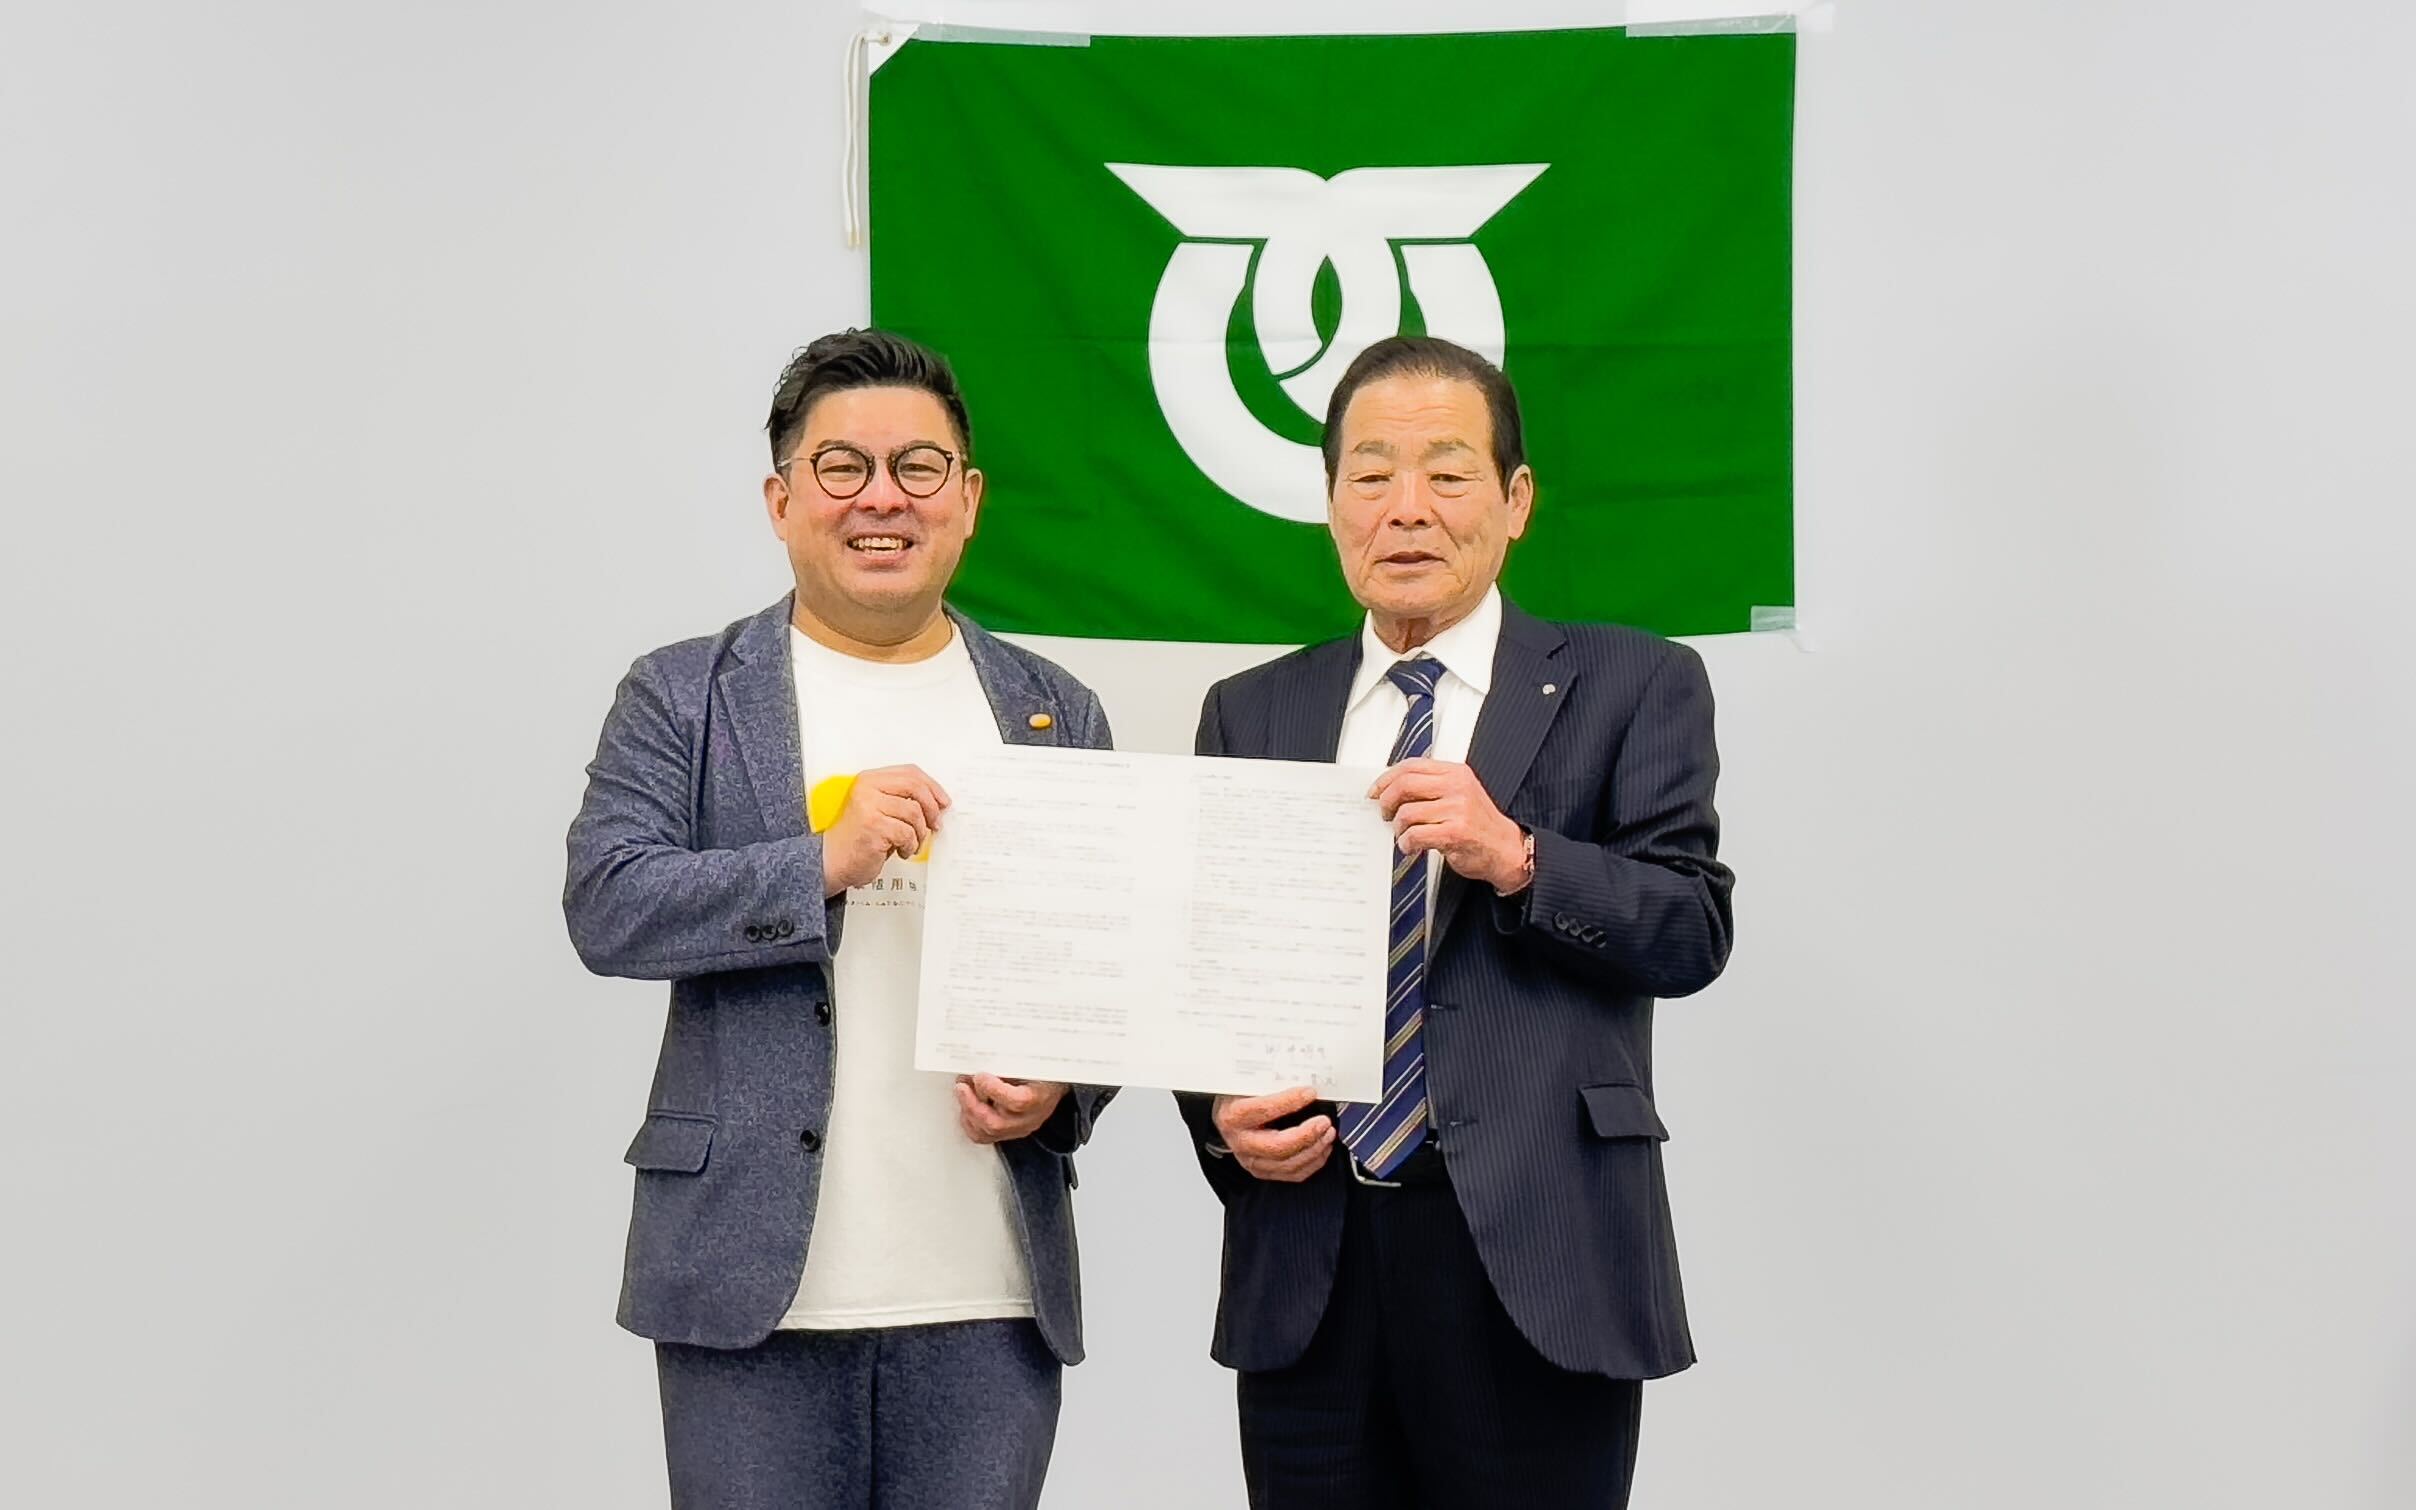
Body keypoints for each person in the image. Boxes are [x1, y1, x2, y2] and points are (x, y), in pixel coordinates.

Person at [1180, 335, 1736, 1508]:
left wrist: (1520, 858)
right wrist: (1225, 1123)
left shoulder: (1633, 684)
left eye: (1446, 472)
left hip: (1537, 1256)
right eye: (1371, 474)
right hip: (1312, 1262)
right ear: (1331, 501)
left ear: (1514, 499)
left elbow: (1690, 926)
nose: (1407, 508)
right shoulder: (1251, 710)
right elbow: (1206, 973)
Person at [565, 329, 1113, 1510]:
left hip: (988, 1294)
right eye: (842, 467)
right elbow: (609, 901)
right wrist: (818, 862)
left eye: (918, 468)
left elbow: (1104, 972)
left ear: (968, 500)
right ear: (782, 500)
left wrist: (1061, 1090)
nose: (882, 498)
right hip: (747, 1289)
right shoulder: (685, 695)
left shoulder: (1053, 710)